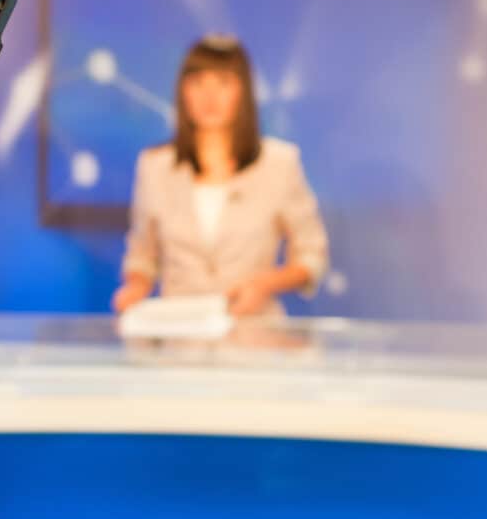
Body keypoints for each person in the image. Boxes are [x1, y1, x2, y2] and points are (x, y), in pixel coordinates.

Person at [112, 34, 329, 318]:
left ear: (243, 91)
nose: (209, 97)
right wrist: (136, 288)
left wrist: (265, 284)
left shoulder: (279, 163)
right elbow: (141, 254)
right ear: (183, 91)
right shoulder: (154, 166)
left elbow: (311, 254)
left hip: (255, 337)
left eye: (223, 83)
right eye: (199, 83)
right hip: (180, 338)